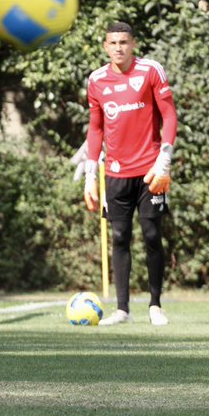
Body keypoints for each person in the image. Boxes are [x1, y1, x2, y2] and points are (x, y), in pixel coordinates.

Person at [69, 22, 177, 326]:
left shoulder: (151, 71)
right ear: (106, 46)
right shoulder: (97, 80)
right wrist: (91, 173)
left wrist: (164, 158)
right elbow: (96, 127)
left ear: (133, 44)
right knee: (119, 237)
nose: (119, 47)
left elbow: (168, 114)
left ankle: (155, 305)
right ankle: (122, 309)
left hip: (150, 171)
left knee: (152, 234)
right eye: (113, 42)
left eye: (124, 42)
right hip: (115, 174)